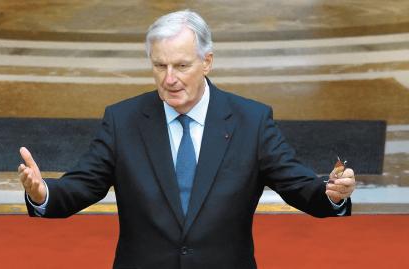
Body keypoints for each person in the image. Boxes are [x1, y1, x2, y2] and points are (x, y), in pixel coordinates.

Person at [19, 9, 356, 269]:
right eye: (159, 66)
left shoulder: (251, 121)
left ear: (207, 62)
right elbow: (83, 185)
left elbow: (300, 187)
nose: (169, 79)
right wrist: (43, 192)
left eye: (181, 65)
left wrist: (332, 194)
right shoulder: (123, 120)